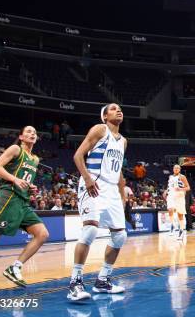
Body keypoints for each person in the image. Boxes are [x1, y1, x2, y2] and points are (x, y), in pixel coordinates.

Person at [68, 103, 128, 301]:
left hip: (111, 189)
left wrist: (122, 194)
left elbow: (118, 170)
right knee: (90, 230)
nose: (118, 110)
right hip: (93, 181)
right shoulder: (100, 129)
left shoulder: (123, 142)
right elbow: (78, 155)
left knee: (120, 236)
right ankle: (75, 283)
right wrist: (86, 178)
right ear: (104, 116)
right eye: (112, 109)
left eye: (119, 109)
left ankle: (103, 280)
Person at [0, 126, 49, 287]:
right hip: (8, 197)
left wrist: (30, 186)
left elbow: (24, 178)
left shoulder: (35, 159)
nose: (33, 134)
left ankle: (15, 267)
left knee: (42, 234)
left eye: (35, 133)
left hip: (22, 202)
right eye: (29, 132)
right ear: (21, 137)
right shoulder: (16, 149)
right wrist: (15, 180)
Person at [164, 165, 191, 240]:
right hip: (171, 195)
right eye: (175, 168)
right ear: (173, 169)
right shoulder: (170, 177)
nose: (176, 169)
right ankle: (172, 225)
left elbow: (188, 187)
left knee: (180, 215)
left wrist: (180, 189)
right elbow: (169, 186)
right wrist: (166, 191)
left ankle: (181, 230)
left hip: (180, 196)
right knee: (170, 209)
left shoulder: (182, 177)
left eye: (177, 168)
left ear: (180, 169)